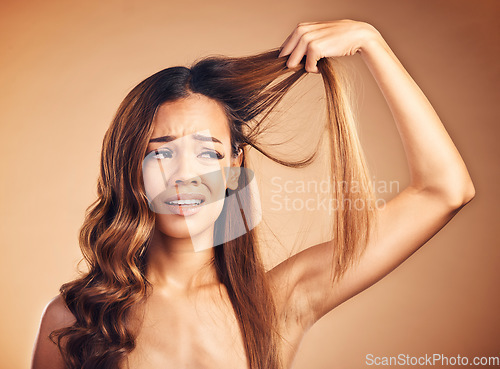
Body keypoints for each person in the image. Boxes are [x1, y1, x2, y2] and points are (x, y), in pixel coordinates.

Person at [31, 20, 475, 369]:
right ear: (130, 164)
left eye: (208, 152)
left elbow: (445, 191)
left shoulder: (280, 301)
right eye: (160, 152)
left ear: (236, 166)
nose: (186, 175)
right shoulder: (74, 319)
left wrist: (372, 43)